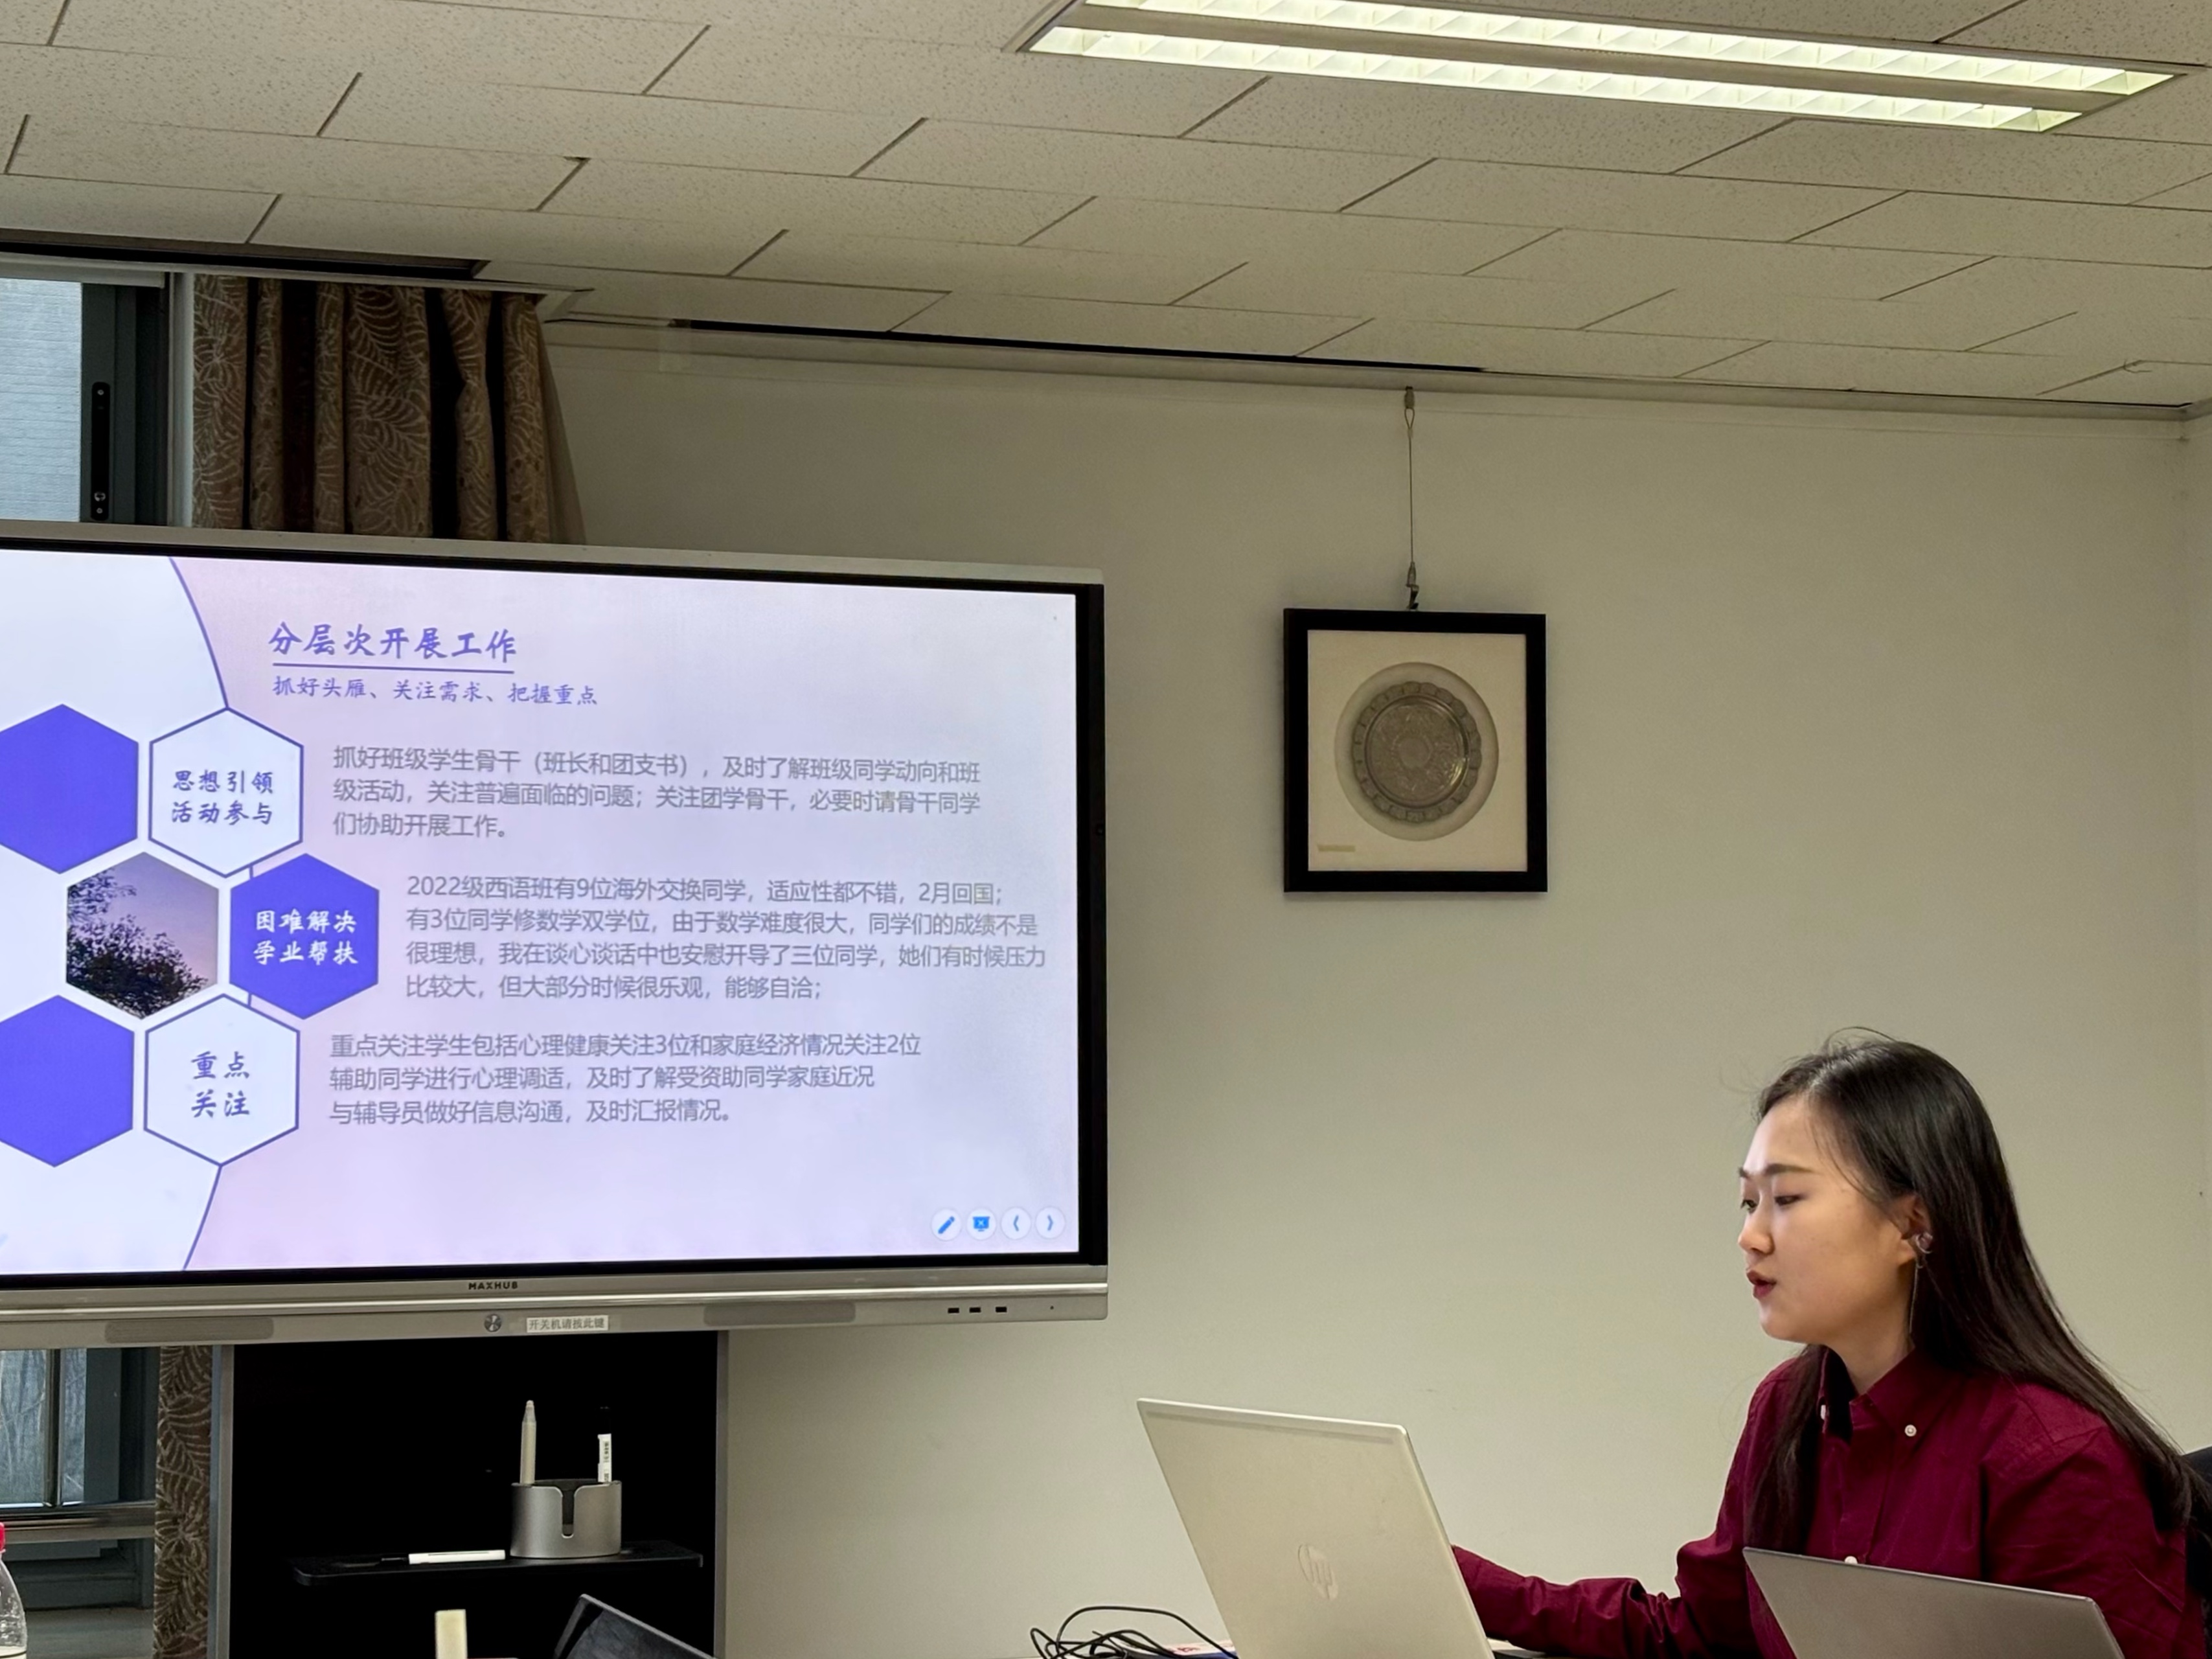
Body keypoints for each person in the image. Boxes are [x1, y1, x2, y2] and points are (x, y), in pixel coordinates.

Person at [1455, 1036, 2211, 1659]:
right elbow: (1704, 1634)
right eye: (1747, 1200)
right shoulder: (1789, 1407)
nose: (1750, 1235)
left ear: (1913, 1223)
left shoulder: (2054, 1458)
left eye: (1786, 1198)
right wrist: (1453, 1580)